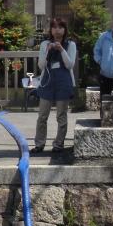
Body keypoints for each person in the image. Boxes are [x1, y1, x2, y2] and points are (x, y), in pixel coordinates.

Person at [31, 18, 77, 154]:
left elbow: (70, 65)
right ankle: (39, 144)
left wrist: (61, 49)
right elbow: (41, 66)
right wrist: (48, 51)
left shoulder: (71, 45)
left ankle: (58, 144)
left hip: (63, 82)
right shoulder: (45, 44)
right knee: (42, 116)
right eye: (55, 27)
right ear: (50, 30)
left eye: (61, 27)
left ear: (65, 30)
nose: (58, 30)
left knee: (61, 116)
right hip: (47, 82)